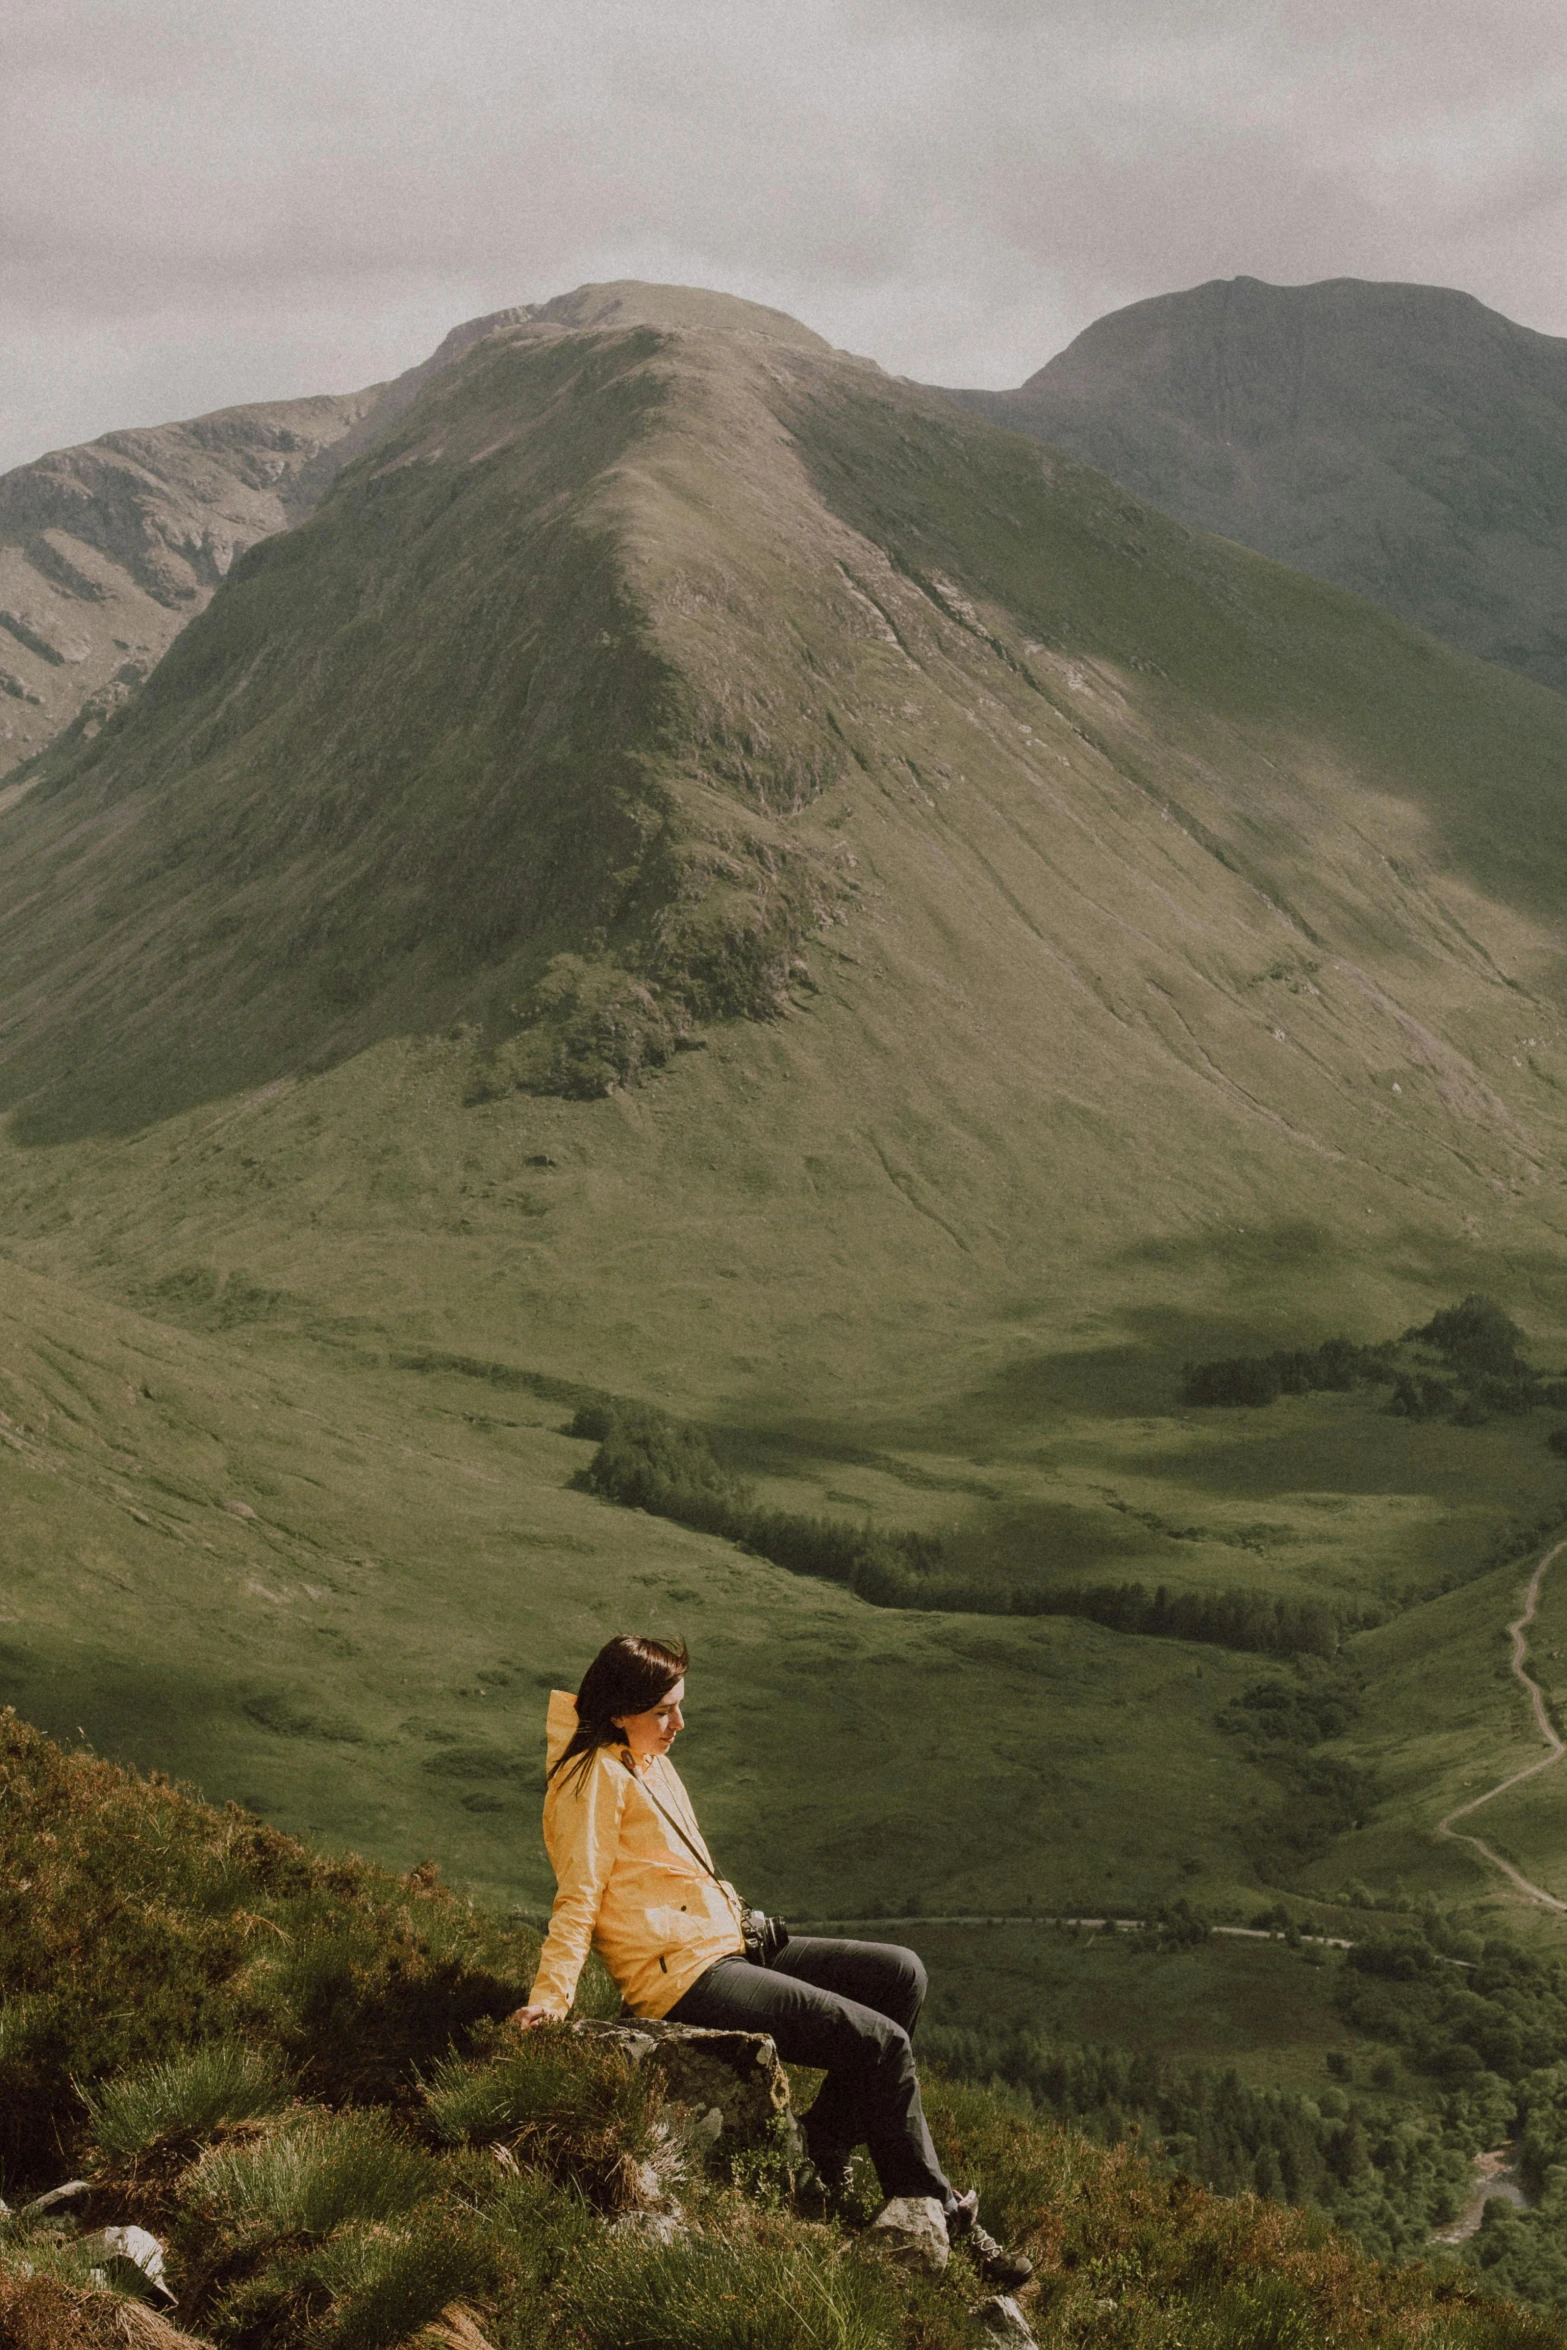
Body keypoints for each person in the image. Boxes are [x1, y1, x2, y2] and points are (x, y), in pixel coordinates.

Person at [510, 1632, 1032, 2288]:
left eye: (679, 1706)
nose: (679, 1724)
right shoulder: (591, 1780)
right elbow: (579, 1898)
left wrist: (734, 1914)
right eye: (663, 1711)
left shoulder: (645, 1760)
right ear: (619, 1710)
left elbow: (670, 1875)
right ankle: (937, 2210)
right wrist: (551, 1999)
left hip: (720, 1945)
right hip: (681, 1979)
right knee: (884, 2045)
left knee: (900, 1974)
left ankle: (828, 2141)